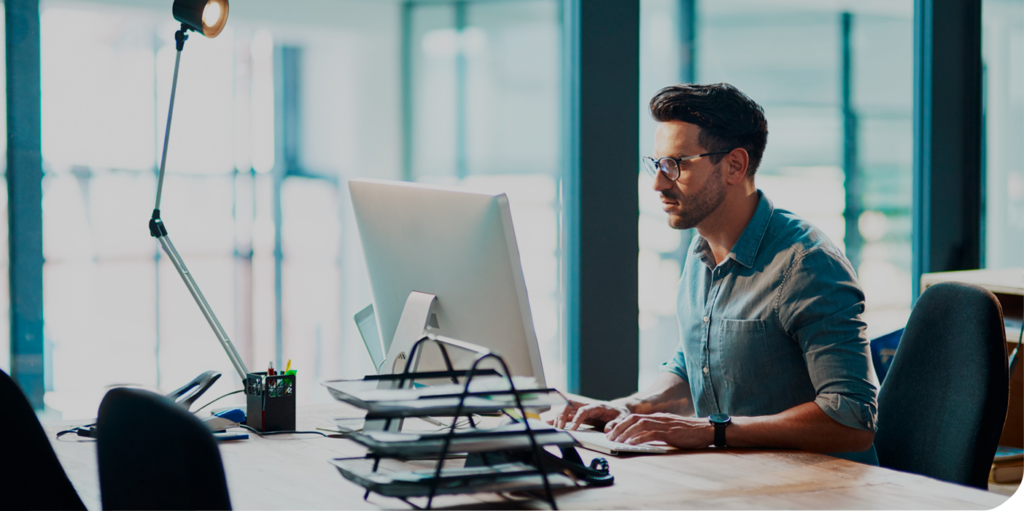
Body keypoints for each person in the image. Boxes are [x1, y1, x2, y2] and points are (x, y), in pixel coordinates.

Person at [551, 83, 878, 463]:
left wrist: (713, 429)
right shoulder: (699, 252)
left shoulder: (807, 264)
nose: (658, 182)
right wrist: (632, 408)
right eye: (656, 164)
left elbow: (852, 420)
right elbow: (697, 365)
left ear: (734, 166)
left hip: (816, 493)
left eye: (676, 164)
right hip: (737, 481)